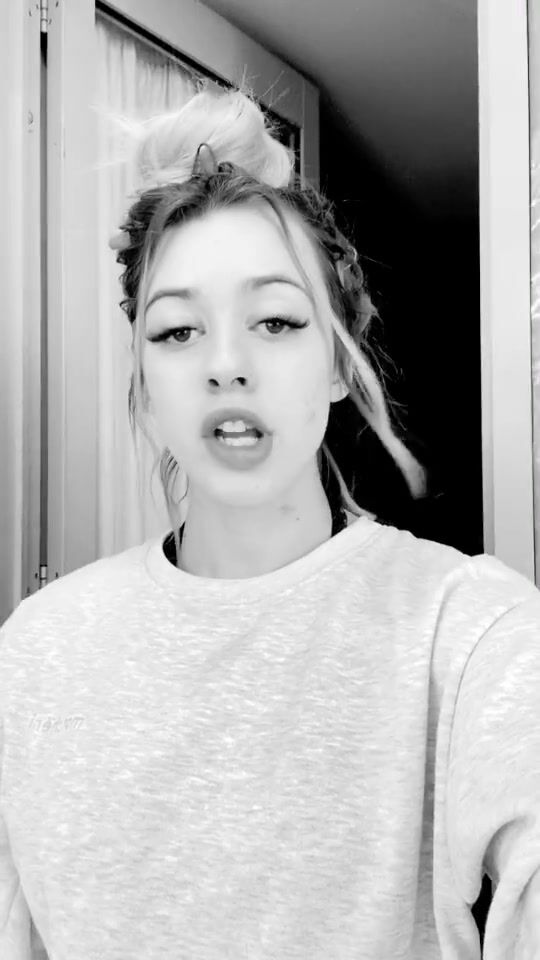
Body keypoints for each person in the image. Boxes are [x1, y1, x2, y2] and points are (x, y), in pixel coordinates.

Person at [0, 85, 539, 960]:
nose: (225, 365)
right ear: (143, 383)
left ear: (339, 362)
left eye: (277, 321)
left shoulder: (474, 635)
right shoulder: (36, 654)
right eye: (177, 332)